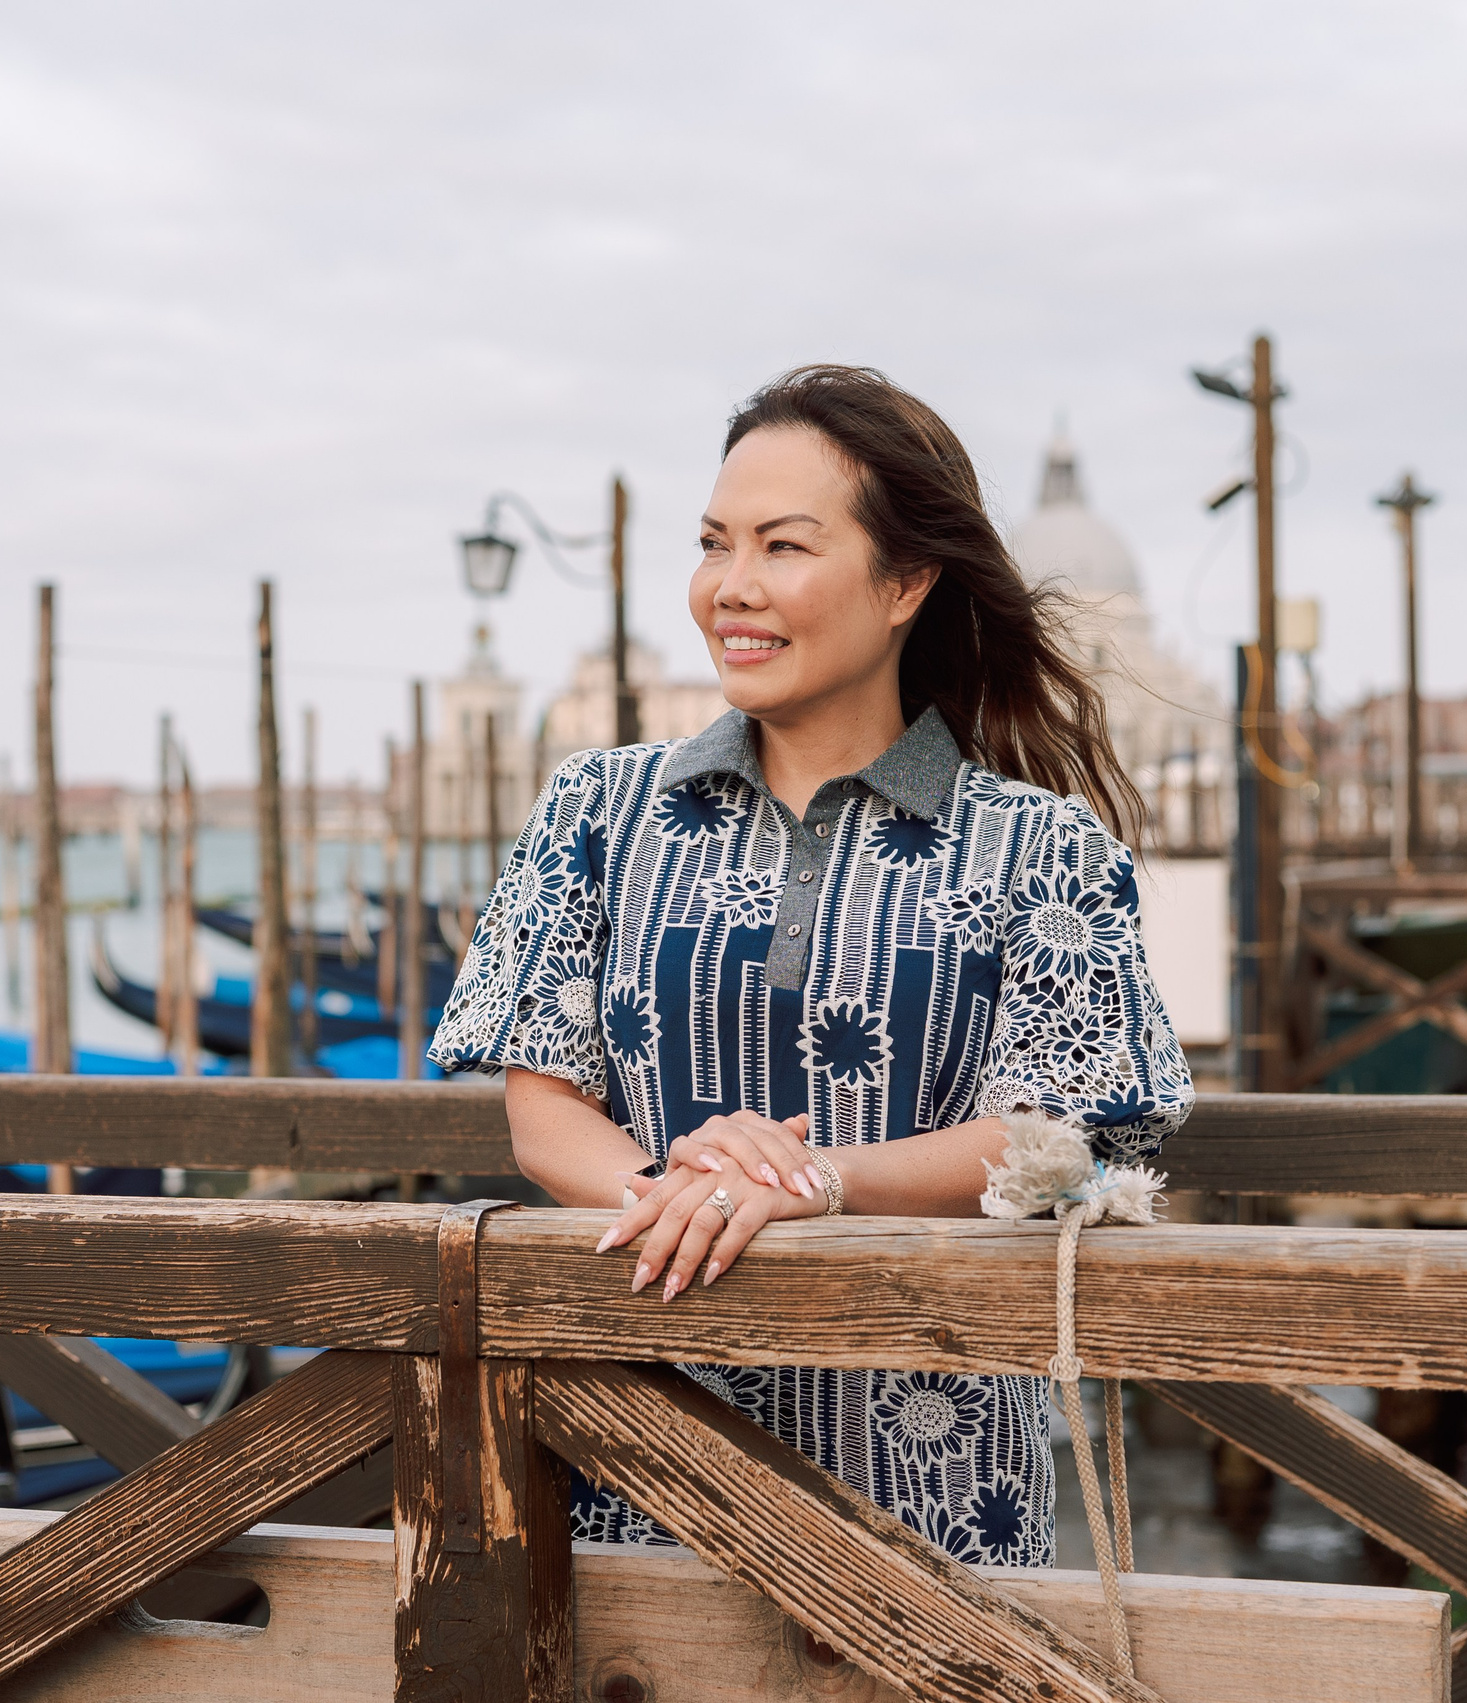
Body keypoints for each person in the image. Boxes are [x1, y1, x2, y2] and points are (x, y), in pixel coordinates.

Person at [429, 364, 1192, 1565]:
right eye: (713, 543)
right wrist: (678, 1196)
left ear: (905, 582)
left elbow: (1058, 1134)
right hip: (634, 1457)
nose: (730, 586)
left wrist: (815, 1180)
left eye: (782, 545)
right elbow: (543, 1105)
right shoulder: (598, 807)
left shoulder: (1039, 844)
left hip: (934, 1481)